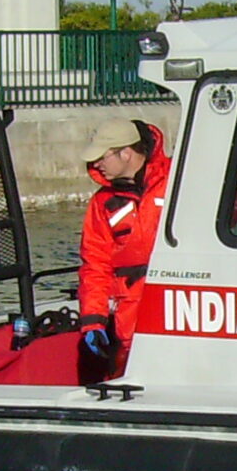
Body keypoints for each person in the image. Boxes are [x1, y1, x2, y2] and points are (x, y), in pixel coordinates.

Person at [78, 115, 171, 379]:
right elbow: (95, 265)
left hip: (177, 306)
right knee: (127, 379)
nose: (95, 164)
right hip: (130, 317)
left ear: (126, 153)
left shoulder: (178, 179)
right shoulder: (102, 203)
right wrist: (93, 321)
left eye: (102, 157)